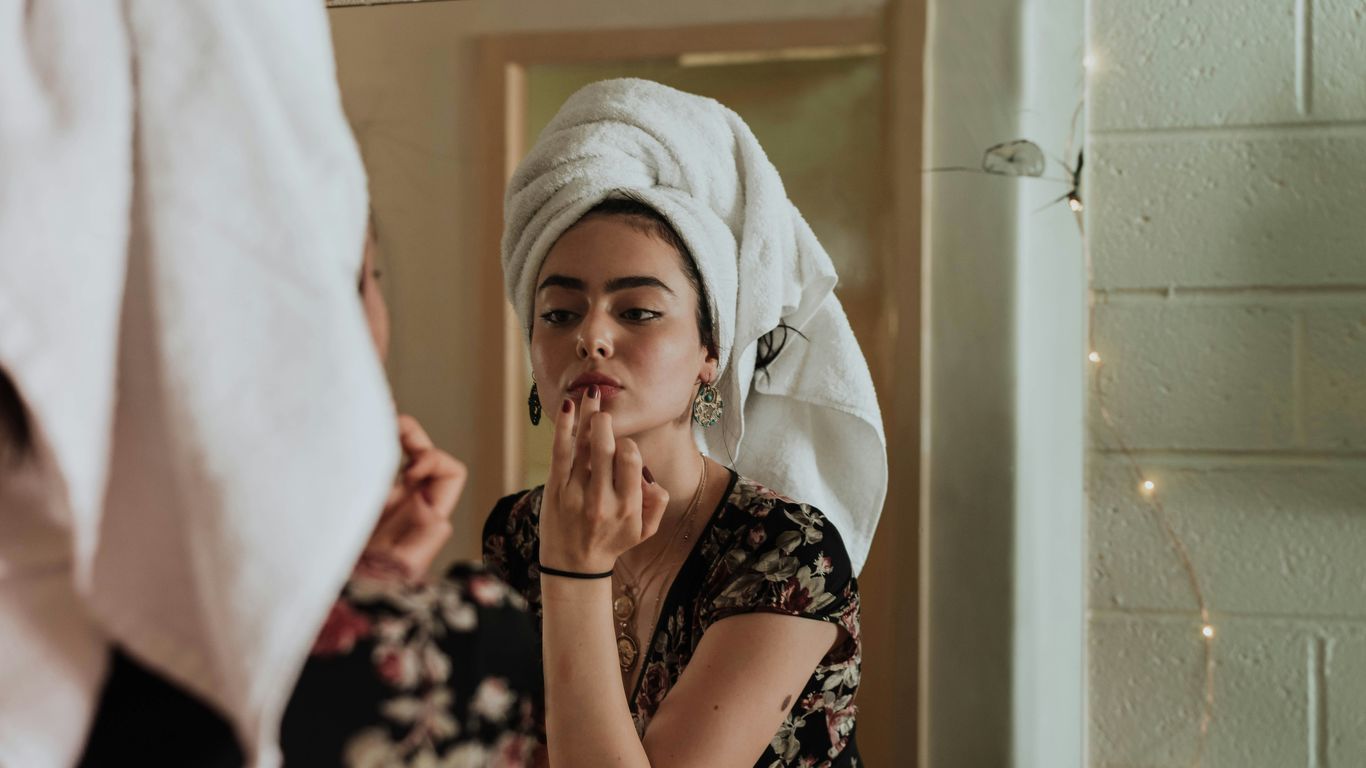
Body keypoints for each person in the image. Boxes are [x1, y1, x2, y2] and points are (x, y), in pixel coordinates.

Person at [481, 79, 888, 767]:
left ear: (709, 352)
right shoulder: (517, 532)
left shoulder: (786, 552)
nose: (592, 339)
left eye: (637, 311)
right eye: (560, 313)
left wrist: (575, 571)